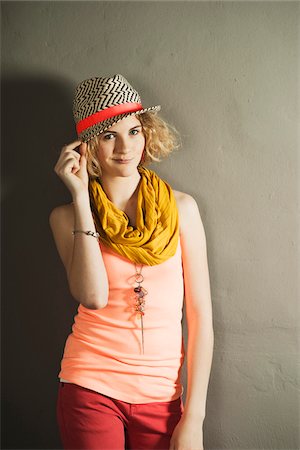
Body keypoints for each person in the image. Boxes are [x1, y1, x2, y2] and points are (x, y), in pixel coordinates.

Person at [49, 74, 214, 450]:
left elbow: (200, 317)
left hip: (162, 396)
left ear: (147, 133)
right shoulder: (65, 217)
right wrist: (79, 199)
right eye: (109, 135)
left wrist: (195, 419)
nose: (126, 147)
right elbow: (92, 297)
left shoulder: (182, 210)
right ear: (86, 146)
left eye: (134, 131)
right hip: (90, 386)